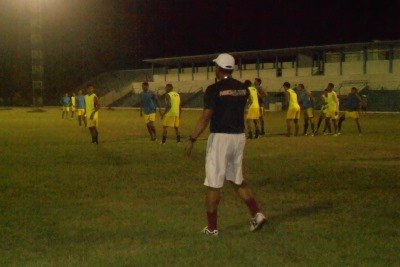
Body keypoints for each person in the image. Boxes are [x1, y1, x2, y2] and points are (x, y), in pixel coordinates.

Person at [185, 53, 266, 236]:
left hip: (220, 138)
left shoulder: (213, 89)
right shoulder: (242, 89)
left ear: (218, 69)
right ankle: (256, 213)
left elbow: (206, 117)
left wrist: (192, 139)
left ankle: (212, 228)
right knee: (237, 179)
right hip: (238, 137)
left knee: (214, 184)